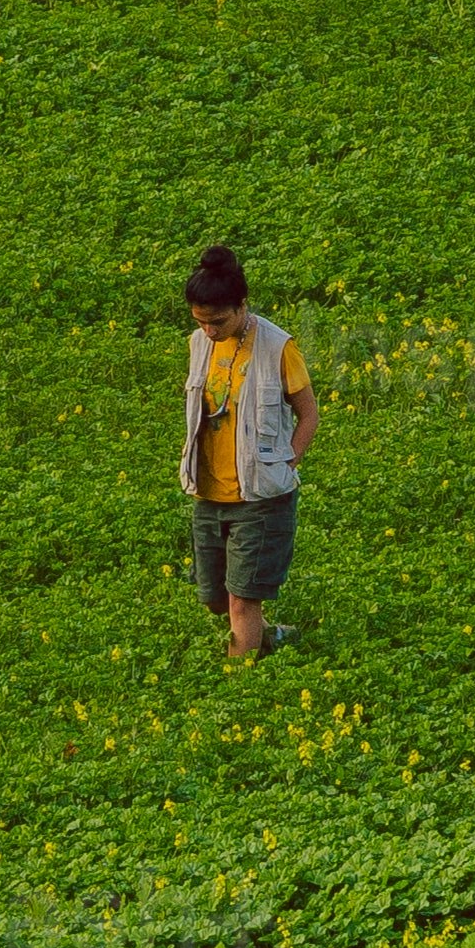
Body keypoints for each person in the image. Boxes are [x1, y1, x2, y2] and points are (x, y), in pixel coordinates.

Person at [178, 242, 315, 655]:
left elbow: (309, 414)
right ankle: (269, 637)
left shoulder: (278, 347)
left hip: (259, 495)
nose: (210, 331)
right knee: (215, 598)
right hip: (208, 491)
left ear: (242, 305)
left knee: (242, 598)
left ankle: (239, 684)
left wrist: (287, 464)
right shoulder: (199, 344)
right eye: (200, 321)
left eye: (217, 321)